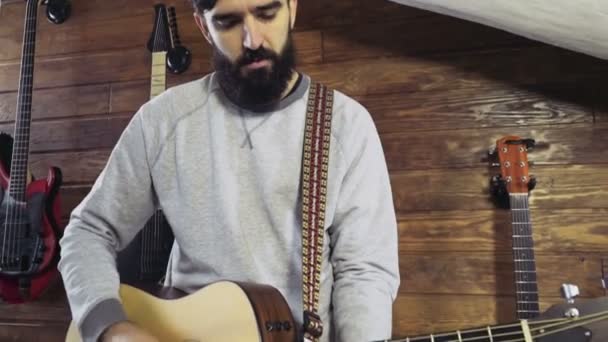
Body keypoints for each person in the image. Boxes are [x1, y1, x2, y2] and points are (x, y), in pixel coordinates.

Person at [58, 0, 400, 341]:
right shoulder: (163, 121)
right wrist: (110, 328)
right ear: (204, 27)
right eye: (228, 22)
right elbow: (89, 229)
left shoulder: (346, 126)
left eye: (267, 14)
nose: (252, 40)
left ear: (292, 8)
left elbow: (364, 272)